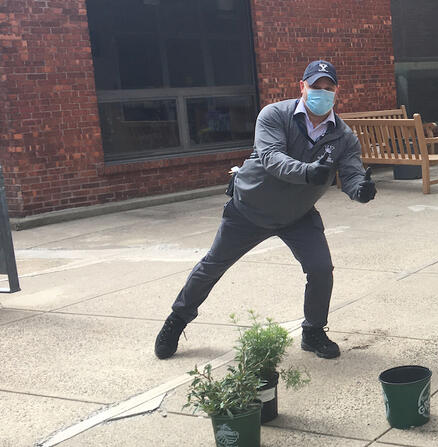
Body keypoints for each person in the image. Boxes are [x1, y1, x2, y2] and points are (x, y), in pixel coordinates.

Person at [154, 60, 376, 360]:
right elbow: (271, 157)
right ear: (302, 87)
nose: (322, 93)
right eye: (316, 87)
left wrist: (360, 190)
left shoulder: (343, 136)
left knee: (321, 269)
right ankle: (177, 319)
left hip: (297, 214)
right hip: (250, 209)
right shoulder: (274, 115)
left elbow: (351, 173)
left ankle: (313, 331)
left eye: (329, 88)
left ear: (337, 91)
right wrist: (309, 172)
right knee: (213, 265)